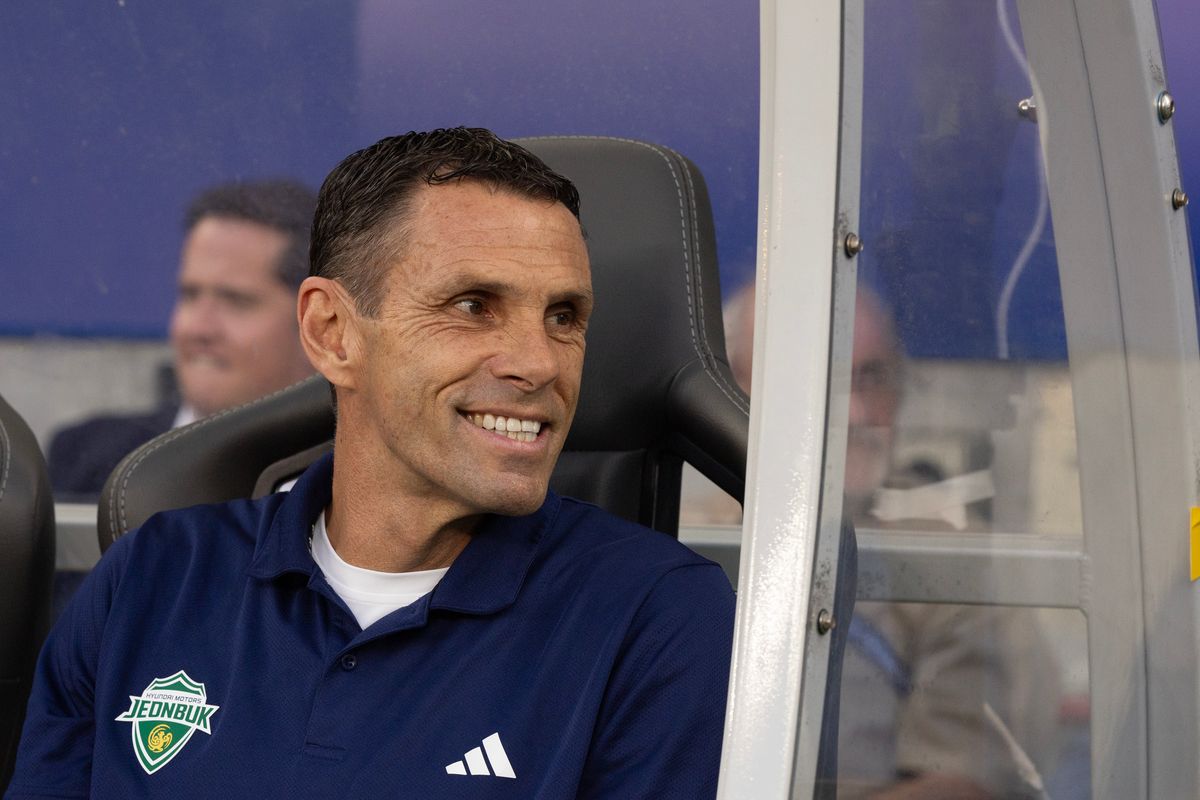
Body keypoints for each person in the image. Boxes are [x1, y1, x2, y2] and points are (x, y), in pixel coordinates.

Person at [7, 128, 736, 799]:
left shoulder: (658, 617)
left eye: (565, 317)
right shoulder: (148, 580)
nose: (539, 364)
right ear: (331, 332)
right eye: (475, 304)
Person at [714, 281, 1058, 799]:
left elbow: (962, 786)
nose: (853, 413)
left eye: (870, 378)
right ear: (735, 388)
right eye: (814, 378)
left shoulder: (951, 561)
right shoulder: (684, 533)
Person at [47, 180, 317, 501]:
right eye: (190, 295)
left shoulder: (354, 488)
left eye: (235, 300)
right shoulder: (84, 458)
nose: (198, 329)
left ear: (315, 322)